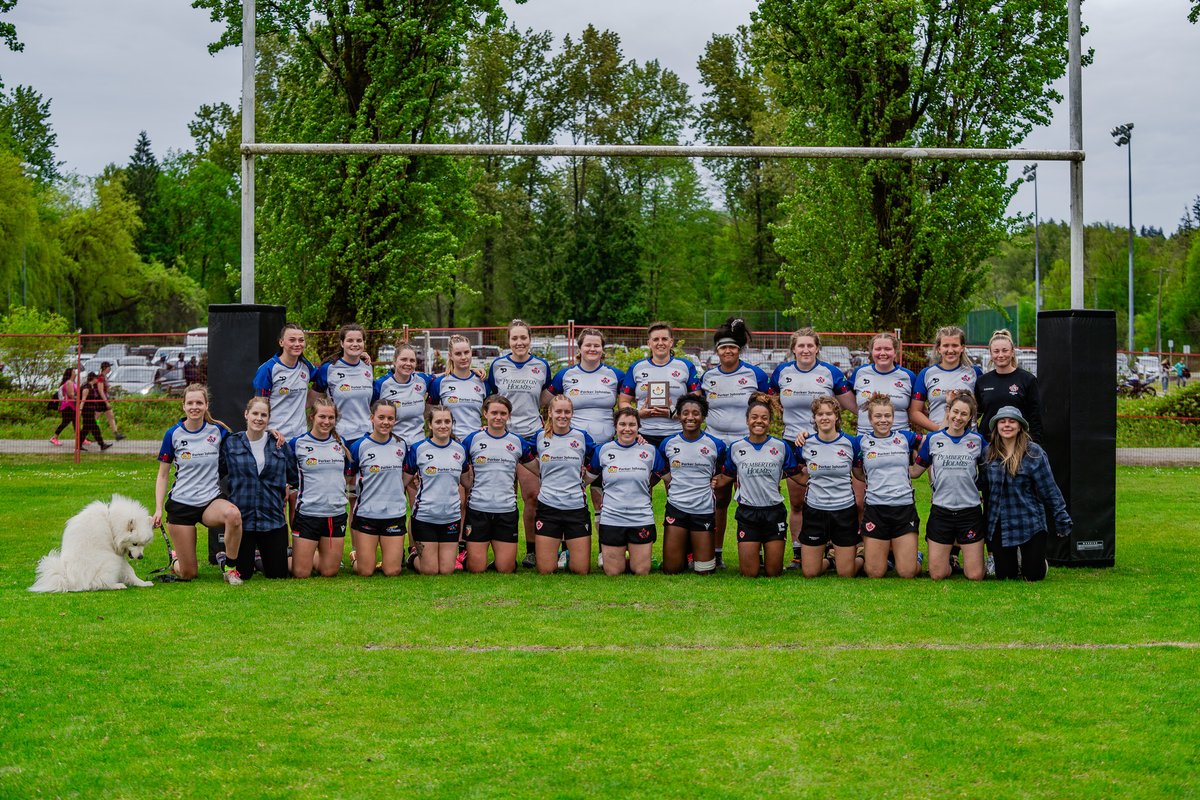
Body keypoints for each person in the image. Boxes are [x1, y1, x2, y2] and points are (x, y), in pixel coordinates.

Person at [769, 327, 855, 570]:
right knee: (797, 502)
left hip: (825, 441)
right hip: (792, 442)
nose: (805, 350)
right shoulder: (782, 372)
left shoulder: (830, 372)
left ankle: (831, 547)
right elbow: (770, 398)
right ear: (793, 349)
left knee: (830, 492)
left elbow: (852, 405)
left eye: (810, 345)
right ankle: (799, 552)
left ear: (817, 348)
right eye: (801, 346)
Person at [152, 384, 243, 580]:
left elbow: (246, 440)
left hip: (209, 502)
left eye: (199, 403)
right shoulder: (173, 434)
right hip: (181, 505)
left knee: (234, 515)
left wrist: (270, 432)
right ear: (183, 406)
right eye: (190, 403)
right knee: (188, 574)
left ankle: (230, 569)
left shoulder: (218, 431)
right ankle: (176, 559)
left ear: (206, 405)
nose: (195, 406)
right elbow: (162, 475)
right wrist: (158, 509)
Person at [699, 317, 769, 573]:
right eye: (722, 348)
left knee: (755, 498)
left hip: (748, 444)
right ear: (716, 351)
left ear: (739, 349)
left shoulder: (755, 375)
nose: (727, 351)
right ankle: (716, 554)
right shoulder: (707, 377)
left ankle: (759, 550)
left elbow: (766, 409)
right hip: (716, 444)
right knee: (719, 498)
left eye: (732, 347)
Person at [486, 320, 553, 570]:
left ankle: (532, 550)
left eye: (523, 338)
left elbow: (547, 397)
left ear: (530, 339)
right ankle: (502, 549)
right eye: (514, 338)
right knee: (503, 497)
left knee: (532, 496)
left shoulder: (541, 366)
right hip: (502, 438)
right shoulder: (498, 365)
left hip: (530, 437)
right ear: (508, 341)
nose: (519, 343)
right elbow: (490, 397)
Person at [980, 406, 1072, 582]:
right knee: (1006, 576)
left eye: (1012, 421)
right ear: (996, 426)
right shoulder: (988, 453)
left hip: (1029, 521)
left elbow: (1049, 488)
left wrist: (1062, 518)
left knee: (1033, 576)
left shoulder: (1033, 452)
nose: (1007, 425)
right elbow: (982, 484)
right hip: (999, 523)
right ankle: (1015, 561)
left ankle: (1036, 562)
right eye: (1002, 421)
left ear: (1020, 426)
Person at [218, 396, 297, 582]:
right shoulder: (231, 443)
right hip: (243, 521)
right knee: (243, 574)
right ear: (246, 414)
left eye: (264, 415)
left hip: (272, 519)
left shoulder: (279, 444)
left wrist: (286, 486)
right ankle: (224, 558)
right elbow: (217, 472)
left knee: (277, 574)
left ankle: (260, 558)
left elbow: (293, 476)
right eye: (255, 413)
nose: (259, 418)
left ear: (269, 418)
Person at [721, 393, 801, 577]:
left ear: (770, 421)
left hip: (774, 512)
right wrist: (707, 481)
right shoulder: (736, 447)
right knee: (749, 573)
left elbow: (797, 475)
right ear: (747, 420)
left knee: (773, 572)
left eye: (764, 418)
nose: (759, 421)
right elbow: (726, 477)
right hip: (748, 513)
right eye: (754, 417)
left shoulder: (781, 447)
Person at [910, 393, 987, 581]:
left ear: (970, 418)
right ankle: (949, 560)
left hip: (969, 511)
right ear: (948, 411)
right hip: (941, 510)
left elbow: (990, 472)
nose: (958, 418)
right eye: (955, 412)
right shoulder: (933, 439)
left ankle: (979, 559)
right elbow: (915, 472)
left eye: (964, 414)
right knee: (937, 574)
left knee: (975, 575)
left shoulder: (978, 441)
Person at [586, 408, 667, 576]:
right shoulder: (603, 450)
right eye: (622, 424)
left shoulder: (650, 451)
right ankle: (618, 556)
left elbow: (670, 478)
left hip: (640, 516)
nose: (627, 429)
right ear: (615, 426)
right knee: (613, 572)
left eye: (632, 424)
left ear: (639, 427)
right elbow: (586, 478)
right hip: (612, 518)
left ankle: (639, 556)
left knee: (641, 570)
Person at [461, 395, 537, 574]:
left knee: (506, 568)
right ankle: (465, 555)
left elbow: (539, 469)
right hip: (478, 510)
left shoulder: (517, 442)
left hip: (506, 511)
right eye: (494, 412)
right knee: (476, 569)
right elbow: (455, 466)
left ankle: (503, 557)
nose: (498, 417)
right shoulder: (472, 440)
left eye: (503, 413)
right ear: (485, 413)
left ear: (509, 415)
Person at [854, 394, 922, 578]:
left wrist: (918, 466)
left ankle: (915, 557)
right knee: (875, 573)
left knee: (907, 572)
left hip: (904, 508)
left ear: (893, 417)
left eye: (887, 416)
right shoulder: (860, 442)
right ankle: (876, 556)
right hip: (876, 509)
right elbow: (857, 472)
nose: (883, 420)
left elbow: (933, 442)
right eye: (878, 416)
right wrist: (802, 436)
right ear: (870, 418)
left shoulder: (906, 438)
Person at [658, 394, 726, 575]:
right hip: (676, 508)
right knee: (672, 569)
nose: (690, 417)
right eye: (685, 413)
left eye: (696, 413)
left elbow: (724, 471)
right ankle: (683, 550)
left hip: (703, 509)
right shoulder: (668, 443)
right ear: (678, 415)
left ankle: (694, 550)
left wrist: (718, 478)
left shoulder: (716, 445)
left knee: (704, 571)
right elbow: (659, 468)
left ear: (703, 417)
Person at [795, 396, 862, 577]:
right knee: (810, 573)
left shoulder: (852, 443)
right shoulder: (805, 444)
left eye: (829, 414)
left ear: (837, 417)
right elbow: (793, 469)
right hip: (815, 510)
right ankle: (831, 559)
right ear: (814, 418)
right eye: (820, 414)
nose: (824, 417)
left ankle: (863, 556)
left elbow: (859, 474)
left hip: (844, 510)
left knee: (846, 573)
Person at [347, 401, 415, 577]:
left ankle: (385, 558)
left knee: (392, 571)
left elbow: (406, 476)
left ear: (395, 421)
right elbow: (349, 478)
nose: (386, 422)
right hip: (367, 514)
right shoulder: (359, 446)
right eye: (381, 417)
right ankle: (357, 557)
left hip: (394, 513)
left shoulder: (401, 445)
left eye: (390, 418)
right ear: (372, 418)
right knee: (365, 571)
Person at [529, 395, 596, 575]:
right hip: (548, 507)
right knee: (545, 570)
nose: (563, 415)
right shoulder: (539, 437)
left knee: (581, 570)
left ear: (572, 413)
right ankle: (557, 553)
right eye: (558, 411)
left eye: (567, 411)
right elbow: (517, 448)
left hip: (575, 507)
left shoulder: (581, 437)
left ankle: (568, 554)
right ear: (550, 413)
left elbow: (600, 456)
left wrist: (586, 476)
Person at [288, 396, 352, 579]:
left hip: (335, 514)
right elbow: (288, 476)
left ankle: (308, 556)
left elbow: (348, 475)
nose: (326, 421)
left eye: (331, 418)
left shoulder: (342, 444)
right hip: (308, 514)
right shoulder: (297, 444)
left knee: (329, 572)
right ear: (312, 417)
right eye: (322, 417)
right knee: (301, 573)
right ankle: (277, 558)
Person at [404, 406, 470, 575]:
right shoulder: (418, 449)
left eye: (447, 421)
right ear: (430, 425)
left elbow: (467, 481)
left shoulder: (460, 450)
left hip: (451, 516)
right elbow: (404, 480)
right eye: (438, 422)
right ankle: (413, 557)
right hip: (425, 516)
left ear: (452, 424)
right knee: (430, 570)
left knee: (447, 570)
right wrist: (415, 483)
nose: (443, 426)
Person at [619, 321, 699, 448]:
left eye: (664, 339)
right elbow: (623, 402)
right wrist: (638, 413)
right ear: (649, 343)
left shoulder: (686, 366)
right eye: (655, 339)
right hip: (643, 435)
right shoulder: (636, 368)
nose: (660, 343)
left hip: (677, 434)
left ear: (671, 342)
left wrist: (673, 412)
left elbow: (697, 403)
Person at [908, 325, 983, 432]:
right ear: (939, 348)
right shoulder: (926, 374)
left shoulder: (974, 372)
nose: (950, 350)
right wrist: (940, 430)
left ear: (962, 347)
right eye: (946, 345)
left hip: (968, 440)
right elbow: (914, 413)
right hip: (938, 439)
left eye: (955, 345)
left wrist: (968, 424)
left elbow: (982, 407)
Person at [975, 328, 1043, 441]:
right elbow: (974, 415)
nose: (1000, 355)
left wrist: (1034, 444)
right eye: (996, 351)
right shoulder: (982, 381)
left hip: (1018, 445)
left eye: (1005, 350)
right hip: (989, 445)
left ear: (1012, 352)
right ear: (991, 354)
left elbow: (1035, 418)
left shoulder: (1028, 380)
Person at [253, 322, 317, 440]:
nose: (297, 344)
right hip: (275, 436)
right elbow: (258, 406)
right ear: (281, 342)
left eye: (301, 340)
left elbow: (324, 379)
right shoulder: (268, 369)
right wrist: (266, 431)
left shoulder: (306, 366)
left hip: (301, 437)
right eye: (292, 340)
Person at [313, 323, 376, 441]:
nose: (355, 344)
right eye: (350, 340)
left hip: (366, 435)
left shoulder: (367, 367)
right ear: (342, 343)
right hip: (340, 436)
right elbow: (313, 402)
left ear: (364, 343)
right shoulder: (329, 369)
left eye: (359, 340)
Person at [850, 332, 916, 432]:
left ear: (895, 352)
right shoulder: (859, 373)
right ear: (871, 352)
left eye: (888, 349)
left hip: (900, 439)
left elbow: (917, 409)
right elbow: (845, 399)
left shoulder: (908, 376)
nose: (882, 353)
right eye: (878, 349)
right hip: (865, 438)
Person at [372, 342, 432, 446]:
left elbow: (443, 377)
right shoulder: (381, 385)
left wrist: (469, 371)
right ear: (394, 361)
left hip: (419, 445)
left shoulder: (422, 380)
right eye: (404, 359)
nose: (408, 364)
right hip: (392, 445)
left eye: (412, 360)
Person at [429, 334, 487, 441]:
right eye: (458, 354)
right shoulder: (439, 383)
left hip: (477, 442)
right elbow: (430, 415)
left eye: (466, 352)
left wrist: (489, 428)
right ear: (450, 355)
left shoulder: (482, 381)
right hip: (449, 443)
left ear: (471, 352)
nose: (463, 357)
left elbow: (492, 411)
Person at [78, 372, 112, 452]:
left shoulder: (91, 387)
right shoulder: (86, 387)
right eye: (96, 378)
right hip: (87, 412)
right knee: (94, 428)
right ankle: (102, 444)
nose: (97, 380)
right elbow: (83, 400)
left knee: (86, 429)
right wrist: (80, 410)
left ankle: (79, 445)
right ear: (93, 378)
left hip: (90, 411)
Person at [96, 362, 126, 441]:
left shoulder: (105, 377)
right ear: (105, 368)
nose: (110, 369)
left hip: (104, 400)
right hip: (100, 401)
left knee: (110, 417)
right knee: (96, 418)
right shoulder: (100, 377)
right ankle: (92, 432)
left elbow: (105, 390)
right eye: (109, 367)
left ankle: (116, 434)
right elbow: (100, 390)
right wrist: (106, 402)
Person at [49, 368, 78, 447]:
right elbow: (71, 394)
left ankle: (79, 439)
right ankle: (54, 437)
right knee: (66, 422)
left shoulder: (73, 382)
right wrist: (78, 398)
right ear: (70, 373)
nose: (75, 373)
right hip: (68, 405)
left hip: (73, 406)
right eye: (74, 371)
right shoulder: (69, 382)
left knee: (75, 422)